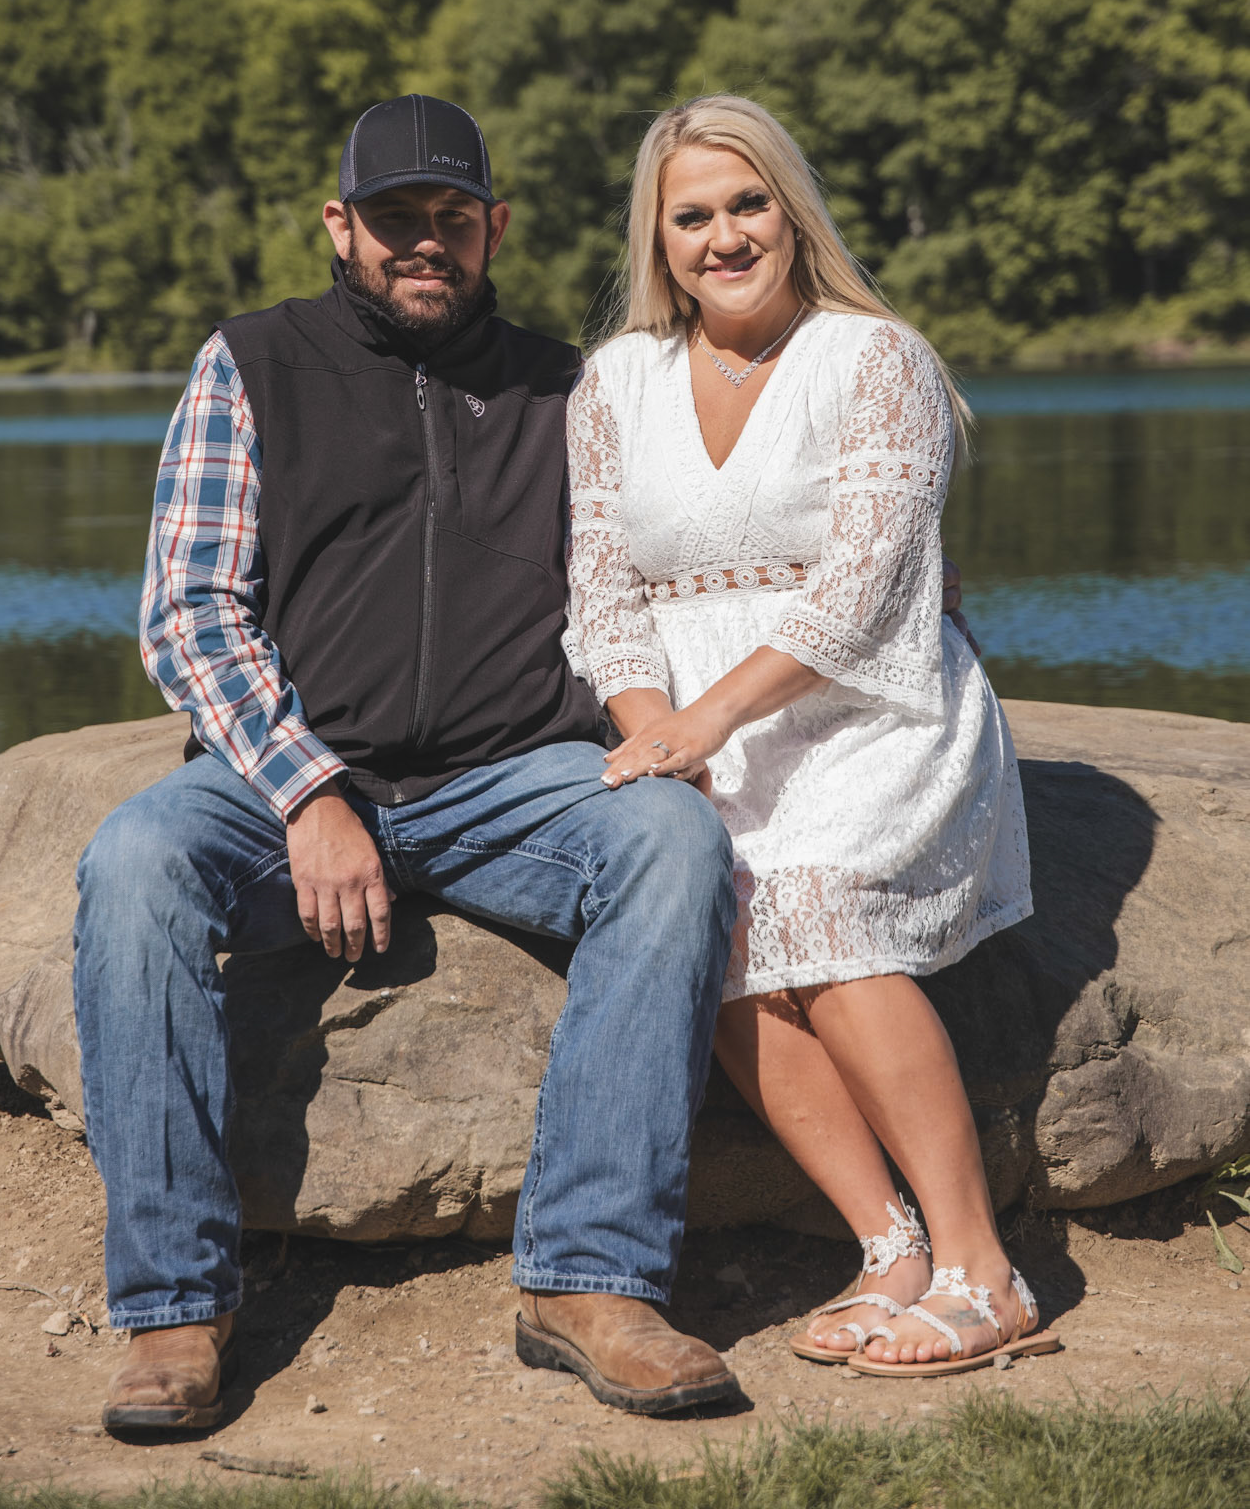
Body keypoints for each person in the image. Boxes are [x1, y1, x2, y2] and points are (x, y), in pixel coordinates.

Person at [74, 94, 744, 1434]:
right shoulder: (252, 361)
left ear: (496, 227)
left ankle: (589, 1281)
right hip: (287, 781)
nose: (425, 240)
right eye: (395, 217)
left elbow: (669, 555)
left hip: (515, 777)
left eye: (453, 215)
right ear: (341, 225)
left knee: (674, 843)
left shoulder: (571, 383)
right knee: (135, 861)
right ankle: (175, 1303)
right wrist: (309, 792)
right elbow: (189, 611)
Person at [566, 94, 1059, 1378]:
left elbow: (864, 590)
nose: (725, 236)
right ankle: (889, 1245)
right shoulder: (616, 380)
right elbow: (602, 596)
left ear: (793, 212)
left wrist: (706, 722)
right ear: (658, 238)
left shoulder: (875, 357)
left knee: (818, 899)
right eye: (693, 215)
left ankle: (983, 1269)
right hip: (694, 731)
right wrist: (657, 737)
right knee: (706, 902)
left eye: (749, 204)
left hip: (873, 715)